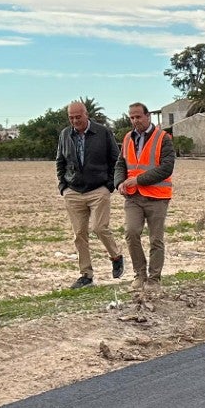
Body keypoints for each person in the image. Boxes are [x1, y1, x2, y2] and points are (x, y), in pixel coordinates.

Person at [56, 100, 122, 288]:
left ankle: (116, 256)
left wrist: (110, 185)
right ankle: (86, 275)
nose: (75, 121)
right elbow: (60, 161)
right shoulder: (65, 135)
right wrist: (63, 186)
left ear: (86, 114)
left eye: (78, 117)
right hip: (74, 191)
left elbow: (116, 160)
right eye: (71, 118)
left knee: (100, 228)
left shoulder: (103, 132)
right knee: (79, 234)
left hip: (98, 189)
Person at [115, 102, 175, 285]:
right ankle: (139, 275)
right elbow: (121, 163)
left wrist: (139, 180)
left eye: (138, 117)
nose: (135, 120)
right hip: (133, 197)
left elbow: (166, 167)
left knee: (156, 239)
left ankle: (154, 279)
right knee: (131, 233)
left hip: (157, 196)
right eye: (132, 117)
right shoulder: (127, 138)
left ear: (147, 116)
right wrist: (118, 183)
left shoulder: (163, 138)